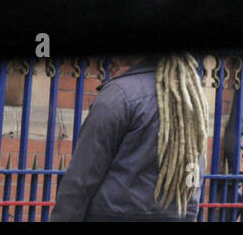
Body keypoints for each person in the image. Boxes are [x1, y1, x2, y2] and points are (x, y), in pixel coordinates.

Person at [51, 54, 209, 221]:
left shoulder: (118, 95)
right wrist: (189, 213)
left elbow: (82, 178)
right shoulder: (189, 100)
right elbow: (193, 171)